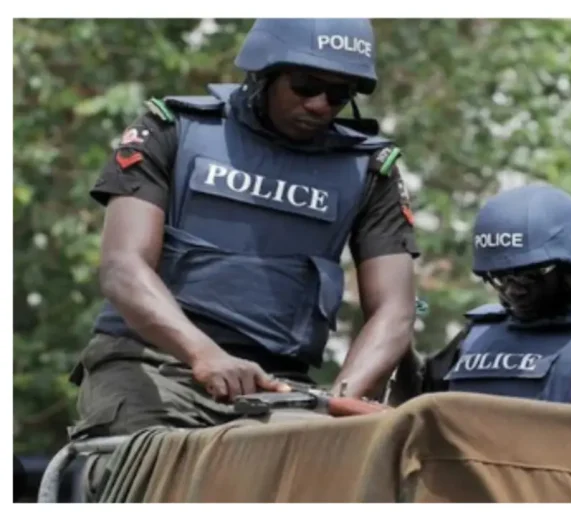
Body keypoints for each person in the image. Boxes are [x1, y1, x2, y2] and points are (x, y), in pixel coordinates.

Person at [70, 18, 420, 442]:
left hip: (280, 387)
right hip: (150, 363)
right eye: (306, 85)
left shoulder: (369, 169)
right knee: (153, 474)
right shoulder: (170, 128)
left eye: (339, 94)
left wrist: (341, 401)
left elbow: (394, 311)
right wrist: (205, 355)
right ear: (262, 73)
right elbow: (122, 268)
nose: (321, 105)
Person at [420, 184, 571, 403]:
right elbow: (417, 406)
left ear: (567, 268)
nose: (512, 290)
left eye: (527, 276)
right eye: (499, 278)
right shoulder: (477, 334)